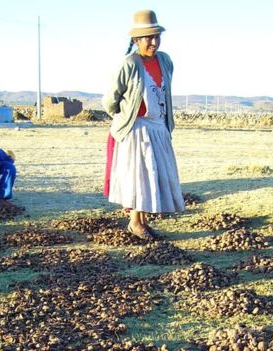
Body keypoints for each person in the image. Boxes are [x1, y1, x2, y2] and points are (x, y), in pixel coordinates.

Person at [102, 9, 184, 239]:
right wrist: (124, 116)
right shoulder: (129, 64)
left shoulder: (165, 61)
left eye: (157, 37)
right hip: (137, 129)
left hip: (159, 127)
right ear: (136, 40)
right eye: (148, 38)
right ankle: (134, 222)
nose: (154, 42)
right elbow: (110, 100)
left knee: (154, 176)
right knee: (140, 177)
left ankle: (142, 220)